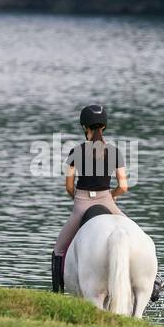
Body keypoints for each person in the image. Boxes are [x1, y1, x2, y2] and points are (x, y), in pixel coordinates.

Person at [52, 104, 128, 292]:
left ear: (85, 127)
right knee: (136, 235)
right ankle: (154, 283)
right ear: (103, 127)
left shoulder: (75, 152)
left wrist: (77, 197)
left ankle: (57, 291)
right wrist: (111, 196)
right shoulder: (114, 152)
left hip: (81, 204)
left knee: (59, 249)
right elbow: (123, 187)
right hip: (107, 202)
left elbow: (69, 186)